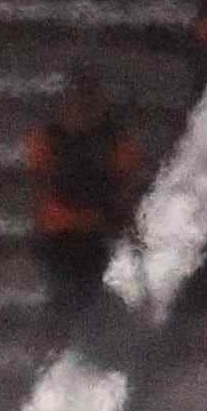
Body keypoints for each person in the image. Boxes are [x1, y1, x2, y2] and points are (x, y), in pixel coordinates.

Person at [25, 64, 142, 319]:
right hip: (79, 230)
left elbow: (37, 180)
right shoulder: (112, 139)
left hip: (76, 230)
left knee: (72, 295)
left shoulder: (50, 136)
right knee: (78, 294)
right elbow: (127, 184)